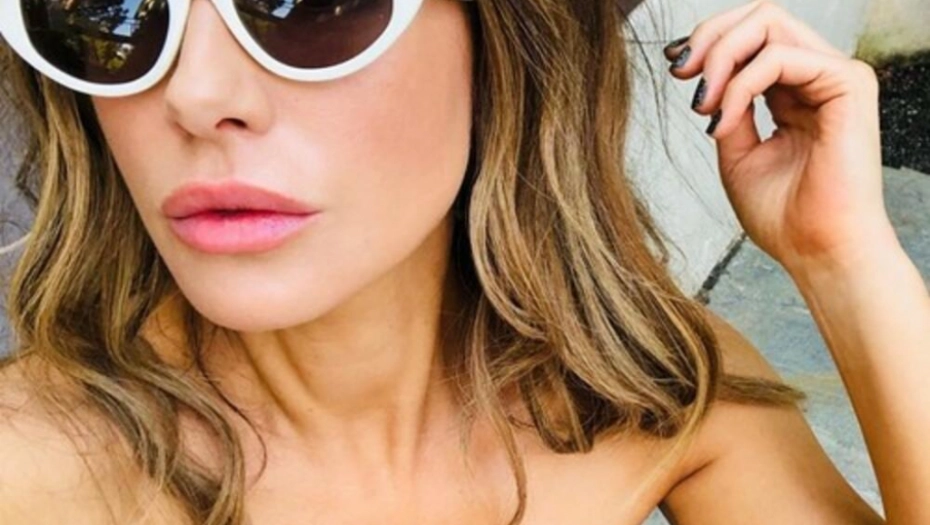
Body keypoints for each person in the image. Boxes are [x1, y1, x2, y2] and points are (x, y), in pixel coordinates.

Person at [0, 0, 927, 523]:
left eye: (307, 2)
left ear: (504, 39)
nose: (196, 95)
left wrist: (847, 261)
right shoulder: (33, 472)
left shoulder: (653, 392)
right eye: (113, 7)